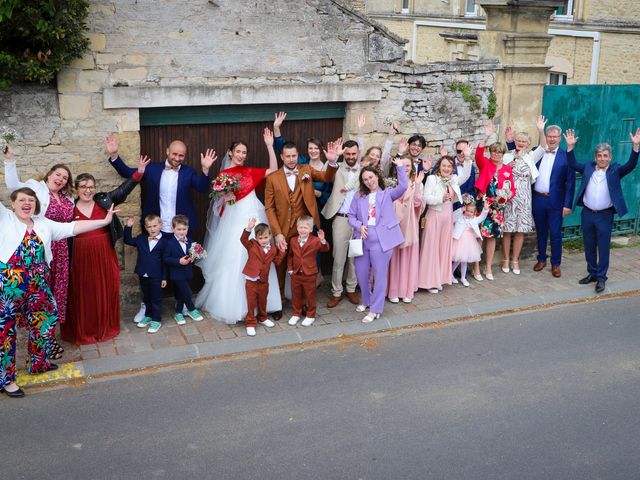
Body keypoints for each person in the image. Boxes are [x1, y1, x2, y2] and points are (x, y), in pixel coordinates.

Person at [0, 187, 118, 398]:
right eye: (22, 200)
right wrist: (9, 161)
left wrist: (104, 222)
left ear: (36, 204)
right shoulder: (5, 219)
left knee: (46, 319)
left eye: (30, 200)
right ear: (13, 204)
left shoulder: (44, 224)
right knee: (5, 333)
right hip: (9, 286)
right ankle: (6, 380)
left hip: (37, 284)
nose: (27, 203)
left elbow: (73, 227)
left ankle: (37, 363)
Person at [107, 135, 217, 321]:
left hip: (178, 230)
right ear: (167, 152)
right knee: (150, 269)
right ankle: (146, 306)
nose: (177, 158)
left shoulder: (189, 172)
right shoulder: (152, 168)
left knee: (181, 268)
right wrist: (115, 155)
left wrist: (205, 170)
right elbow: (128, 173)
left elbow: (202, 188)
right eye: (174, 154)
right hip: (155, 228)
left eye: (181, 155)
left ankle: (181, 303)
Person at [61, 155, 148, 345]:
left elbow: (123, 190)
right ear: (76, 189)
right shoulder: (69, 208)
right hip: (79, 256)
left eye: (91, 186)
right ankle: (85, 330)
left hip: (103, 253)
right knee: (83, 292)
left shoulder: (105, 200)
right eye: (83, 187)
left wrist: (139, 172)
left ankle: (104, 327)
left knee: (104, 289)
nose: (87, 190)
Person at [195, 129, 279, 324]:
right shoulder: (224, 175)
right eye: (238, 151)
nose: (241, 155)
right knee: (235, 258)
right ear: (231, 152)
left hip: (254, 215)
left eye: (244, 152)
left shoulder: (250, 171)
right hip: (234, 220)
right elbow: (218, 205)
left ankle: (262, 305)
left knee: (261, 254)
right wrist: (226, 198)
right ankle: (235, 305)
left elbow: (273, 170)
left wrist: (269, 146)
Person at [3, 146, 74, 359]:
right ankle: (44, 342)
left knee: (55, 296)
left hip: (61, 252)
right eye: (58, 174)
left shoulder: (67, 198)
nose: (61, 179)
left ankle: (47, 339)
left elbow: (73, 223)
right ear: (49, 174)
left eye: (65, 177)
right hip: (39, 250)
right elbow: (13, 185)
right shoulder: (35, 188)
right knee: (38, 298)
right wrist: (10, 161)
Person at [264, 138, 339, 316]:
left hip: (303, 229)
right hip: (283, 228)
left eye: (294, 156)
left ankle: (304, 302)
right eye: (288, 156)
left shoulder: (306, 170)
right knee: (281, 266)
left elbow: (326, 177)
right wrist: (278, 234)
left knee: (304, 267)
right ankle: (279, 302)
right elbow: (269, 207)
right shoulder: (272, 178)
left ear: (298, 156)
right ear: (281, 157)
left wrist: (332, 162)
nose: (291, 159)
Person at [564, 127, 640, 293]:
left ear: (610, 157)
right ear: (595, 157)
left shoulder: (615, 170)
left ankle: (601, 277)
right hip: (588, 214)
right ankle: (592, 273)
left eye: (605, 156)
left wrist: (635, 147)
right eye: (599, 156)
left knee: (603, 247)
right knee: (589, 245)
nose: (602, 158)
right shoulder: (589, 167)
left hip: (604, 215)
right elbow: (572, 163)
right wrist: (570, 147)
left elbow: (631, 165)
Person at [348, 159, 408, 323]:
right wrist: (359, 226)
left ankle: (375, 309)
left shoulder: (387, 193)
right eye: (365, 179)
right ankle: (366, 301)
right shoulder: (358, 196)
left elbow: (403, 187)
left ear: (377, 176)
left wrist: (400, 166)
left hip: (382, 241)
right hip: (362, 240)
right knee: (361, 273)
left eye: (371, 177)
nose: (369, 181)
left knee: (380, 275)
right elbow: (351, 216)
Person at [418, 153, 472, 292]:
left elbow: (465, 175)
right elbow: (426, 198)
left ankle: (440, 279)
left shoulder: (453, 179)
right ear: (439, 167)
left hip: (447, 218)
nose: (446, 169)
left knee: (443, 248)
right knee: (432, 249)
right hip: (434, 216)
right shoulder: (432, 179)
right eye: (444, 166)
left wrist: (467, 158)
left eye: (449, 166)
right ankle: (429, 282)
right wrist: (440, 198)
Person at [501, 116, 548, 275]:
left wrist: (541, 130)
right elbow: (499, 174)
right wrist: (508, 166)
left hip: (524, 197)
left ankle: (515, 259)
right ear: (514, 142)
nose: (521, 143)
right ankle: (506, 259)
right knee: (508, 229)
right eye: (518, 140)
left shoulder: (530, 157)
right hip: (509, 197)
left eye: (524, 141)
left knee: (520, 230)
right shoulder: (507, 156)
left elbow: (543, 146)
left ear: (528, 144)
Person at [321, 140, 361, 308]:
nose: (351, 157)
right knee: (338, 258)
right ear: (344, 153)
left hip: (359, 221)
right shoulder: (336, 167)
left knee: (355, 257)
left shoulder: (364, 169)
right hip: (341, 218)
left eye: (354, 154)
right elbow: (324, 175)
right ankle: (336, 292)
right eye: (348, 154)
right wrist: (333, 159)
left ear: (358, 153)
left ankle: (351, 288)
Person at [532, 124, 576, 278]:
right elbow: (519, 156)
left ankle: (556, 264)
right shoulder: (536, 153)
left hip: (556, 202)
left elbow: (570, 183)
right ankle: (542, 258)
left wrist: (567, 204)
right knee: (541, 231)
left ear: (559, 138)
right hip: (538, 199)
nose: (551, 139)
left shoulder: (566, 156)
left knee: (556, 233)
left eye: (554, 136)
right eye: (549, 136)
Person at [473, 128, 516, 280]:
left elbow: (512, 189)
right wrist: (485, 137)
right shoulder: (485, 163)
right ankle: (476, 266)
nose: (496, 154)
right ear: (490, 152)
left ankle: (488, 267)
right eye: (494, 151)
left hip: (497, 208)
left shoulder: (506, 169)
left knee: (491, 237)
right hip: (482, 204)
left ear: (503, 154)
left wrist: (508, 195)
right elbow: (478, 154)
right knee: (478, 236)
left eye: (499, 152)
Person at [273, 112, 333, 211]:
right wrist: (276, 128)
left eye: (316, 148)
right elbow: (283, 148)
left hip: (316, 210)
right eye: (310, 148)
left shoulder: (326, 168)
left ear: (321, 149)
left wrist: (318, 193)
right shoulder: (302, 162)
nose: (313, 151)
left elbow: (328, 195)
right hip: (298, 208)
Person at [387, 156, 425, 303]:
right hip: (396, 222)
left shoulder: (417, 183)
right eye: (403, 165)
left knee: (407, 257)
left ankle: (407, 290)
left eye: (408, 165)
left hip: (410, 223)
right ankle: (393, 290)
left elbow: (418, 205)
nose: (406, 167)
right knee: (394, 257)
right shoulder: (393, 182)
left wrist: (416, 187)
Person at [240, 218, 287, 337]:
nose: (263, 240)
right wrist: (248, 229)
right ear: (256, 238)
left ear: (270, 236)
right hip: (252, 279)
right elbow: (243, 239)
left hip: (264, 280)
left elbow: (276, 262)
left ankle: (263, 317)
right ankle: (250, 322)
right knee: (251, 302)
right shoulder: (251, 245)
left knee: (263, 300)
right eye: (260, 238)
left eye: (266, 237)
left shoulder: (273, 250)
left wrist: (282, 252)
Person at [123, 214, 167, 334]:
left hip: (156, 275)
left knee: (156, 298)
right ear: (145, 227)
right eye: (149, 227)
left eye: (155, 226)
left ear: (161, 225)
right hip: (143, 273)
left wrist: (164, 277)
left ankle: (156, 319)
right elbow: (127, 240)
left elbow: (164, 262)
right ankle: (148, 315)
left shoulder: (164, 242)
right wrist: (128, 226)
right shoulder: (141, 239)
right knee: (146, 296)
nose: (152, 229)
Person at [286, 216, 330, 327]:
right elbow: (290, 256)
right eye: (300, 227)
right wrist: (290, 269)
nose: (302, 230)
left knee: (310, 295)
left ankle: (310, 315)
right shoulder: (293, 240)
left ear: (311, 230)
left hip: (309, 274)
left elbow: (325, 249)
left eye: (306, 228)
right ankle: (296, 313)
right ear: (297, 228)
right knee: (296, 294)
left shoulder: (315, 241)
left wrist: (322, 240)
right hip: (296, 273)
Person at [163, 215, 203, 325]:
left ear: (188, 228)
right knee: (188, 292)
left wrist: (193, 256)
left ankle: (178, 313)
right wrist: (178, 261)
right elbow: (166, 258)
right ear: (173, 229)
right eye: (179, 229)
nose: (181, 232)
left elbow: (191, 255)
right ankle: (191, 309)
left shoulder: (189, 241)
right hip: (176, 274)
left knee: (181, 293)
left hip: (188, 272)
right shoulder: (169, 243)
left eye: (184, 229)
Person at [451, 196, 488, 287]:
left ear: (474, 213)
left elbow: (482, 217)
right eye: (467, 210)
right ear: (465, 210)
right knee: (457, 260)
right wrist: (461, 210)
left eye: (471, 212)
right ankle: (450, 274)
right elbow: (452, 217)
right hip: (459, 242)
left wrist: (485, 209)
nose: (468, 213)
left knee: (464, 261)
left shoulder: (474, 220)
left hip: (469, 243)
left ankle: (463, 278)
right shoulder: (460, 218)